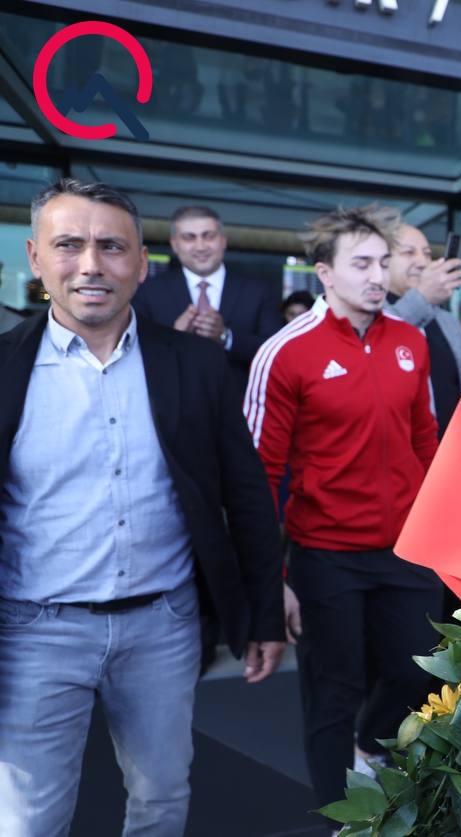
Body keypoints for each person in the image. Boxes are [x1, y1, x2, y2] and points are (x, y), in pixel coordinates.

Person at [0, 178, 285, 836]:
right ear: (36, 258)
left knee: (161, 798)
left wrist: (265, 611)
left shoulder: (196, 364)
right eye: (68, 245)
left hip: (163, 627)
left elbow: (246, 494)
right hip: (34, 630)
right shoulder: (6, 368)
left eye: (111, 246)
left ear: (142, 264)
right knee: (29, 821)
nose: (91, 264)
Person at [243, 205, 443, 811]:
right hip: (325, 553)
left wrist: (440, 532)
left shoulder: (410, 341)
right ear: (325, 273)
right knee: (334, 692)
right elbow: (258, 477)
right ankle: (340, 818)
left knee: (418, 673)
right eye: (361, 264)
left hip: (406, 548)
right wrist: (272, 581)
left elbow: (425, 443)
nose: (377, 276)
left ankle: (371, 744)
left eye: (383, 262)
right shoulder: (285, 352)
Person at [132, 205, 283, 398]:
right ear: (174, 244)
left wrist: (226, 337)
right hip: (172, 403)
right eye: (189, 238)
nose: (201, 246)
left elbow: (276, 353)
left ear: (223, 241)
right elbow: (134, 354)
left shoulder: (258, 291)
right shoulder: (148, 292)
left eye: (208, 236)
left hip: (238, 404)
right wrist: (174, 336)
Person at [384, 223, 461, 436]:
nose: (422, 262)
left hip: (452, 447)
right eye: (408, 253)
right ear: (382, 261)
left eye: (427, 253)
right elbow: (381, 343)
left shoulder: (448, 321)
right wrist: (422, 297)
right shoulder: (371, 313)